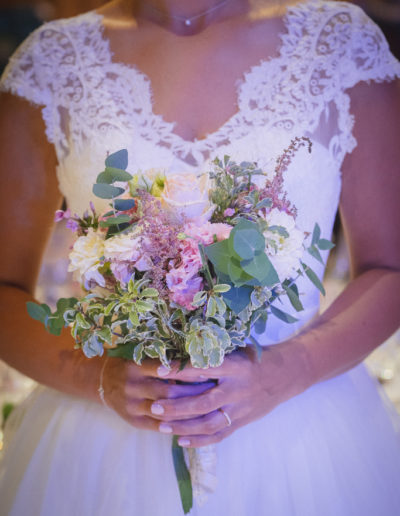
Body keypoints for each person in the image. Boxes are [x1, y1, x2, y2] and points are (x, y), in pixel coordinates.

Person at [0, 0, 400, 514]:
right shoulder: (52, 61)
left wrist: (285, 372)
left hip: (303, 431)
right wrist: (94, 375)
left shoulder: (340, 43)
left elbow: (388, 270)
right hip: (102, 445)